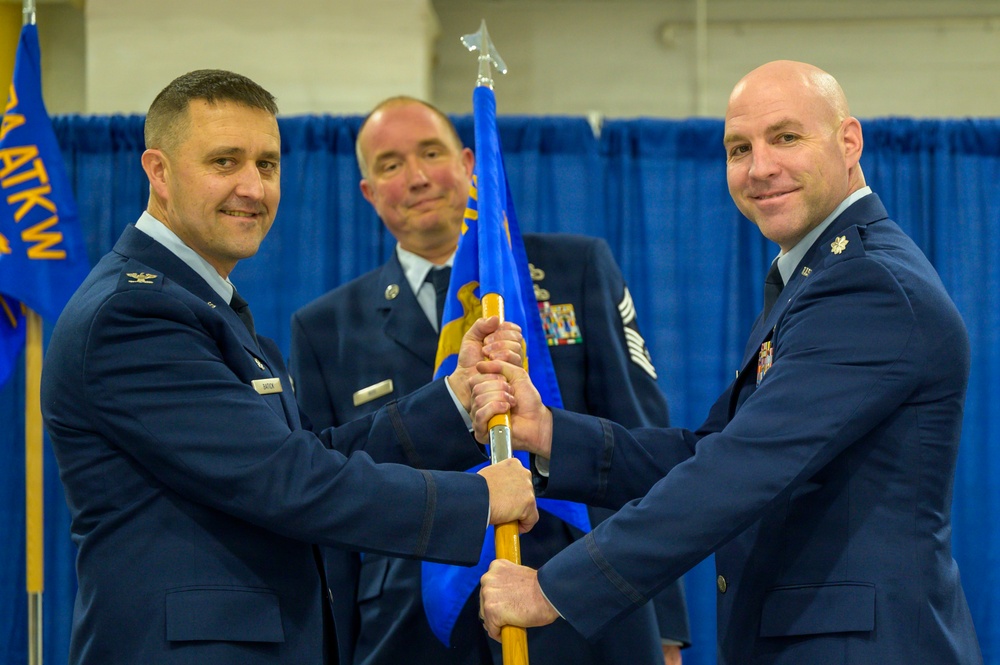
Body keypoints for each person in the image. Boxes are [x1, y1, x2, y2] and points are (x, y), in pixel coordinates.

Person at [474, 60, 984, 665]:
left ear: (849, 141)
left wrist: (554, 589)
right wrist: (551, 432)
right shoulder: (816, 274)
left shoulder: (866, 283)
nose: (760, 167)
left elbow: (739, 470)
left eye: (786, 137)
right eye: (739, 148)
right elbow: (711, 451)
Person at [39, 69, 539, 665]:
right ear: (158, 172)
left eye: (268, 165)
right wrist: (476, 500)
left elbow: (314, 453)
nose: (253, 187)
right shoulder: (134, 312)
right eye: (225, 162)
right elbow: (288, 479)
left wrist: (454, 399)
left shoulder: (201, 304)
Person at [289, 97, 690, 665]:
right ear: (368, 192)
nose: (419, 177)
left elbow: (640, 440)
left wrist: (666, 626)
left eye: (432, 153)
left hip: (581, 597)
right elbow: (329, 499)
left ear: (470, 162)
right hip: (411, 622)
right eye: (391, 164)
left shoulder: (574, 269)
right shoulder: (324, 327)